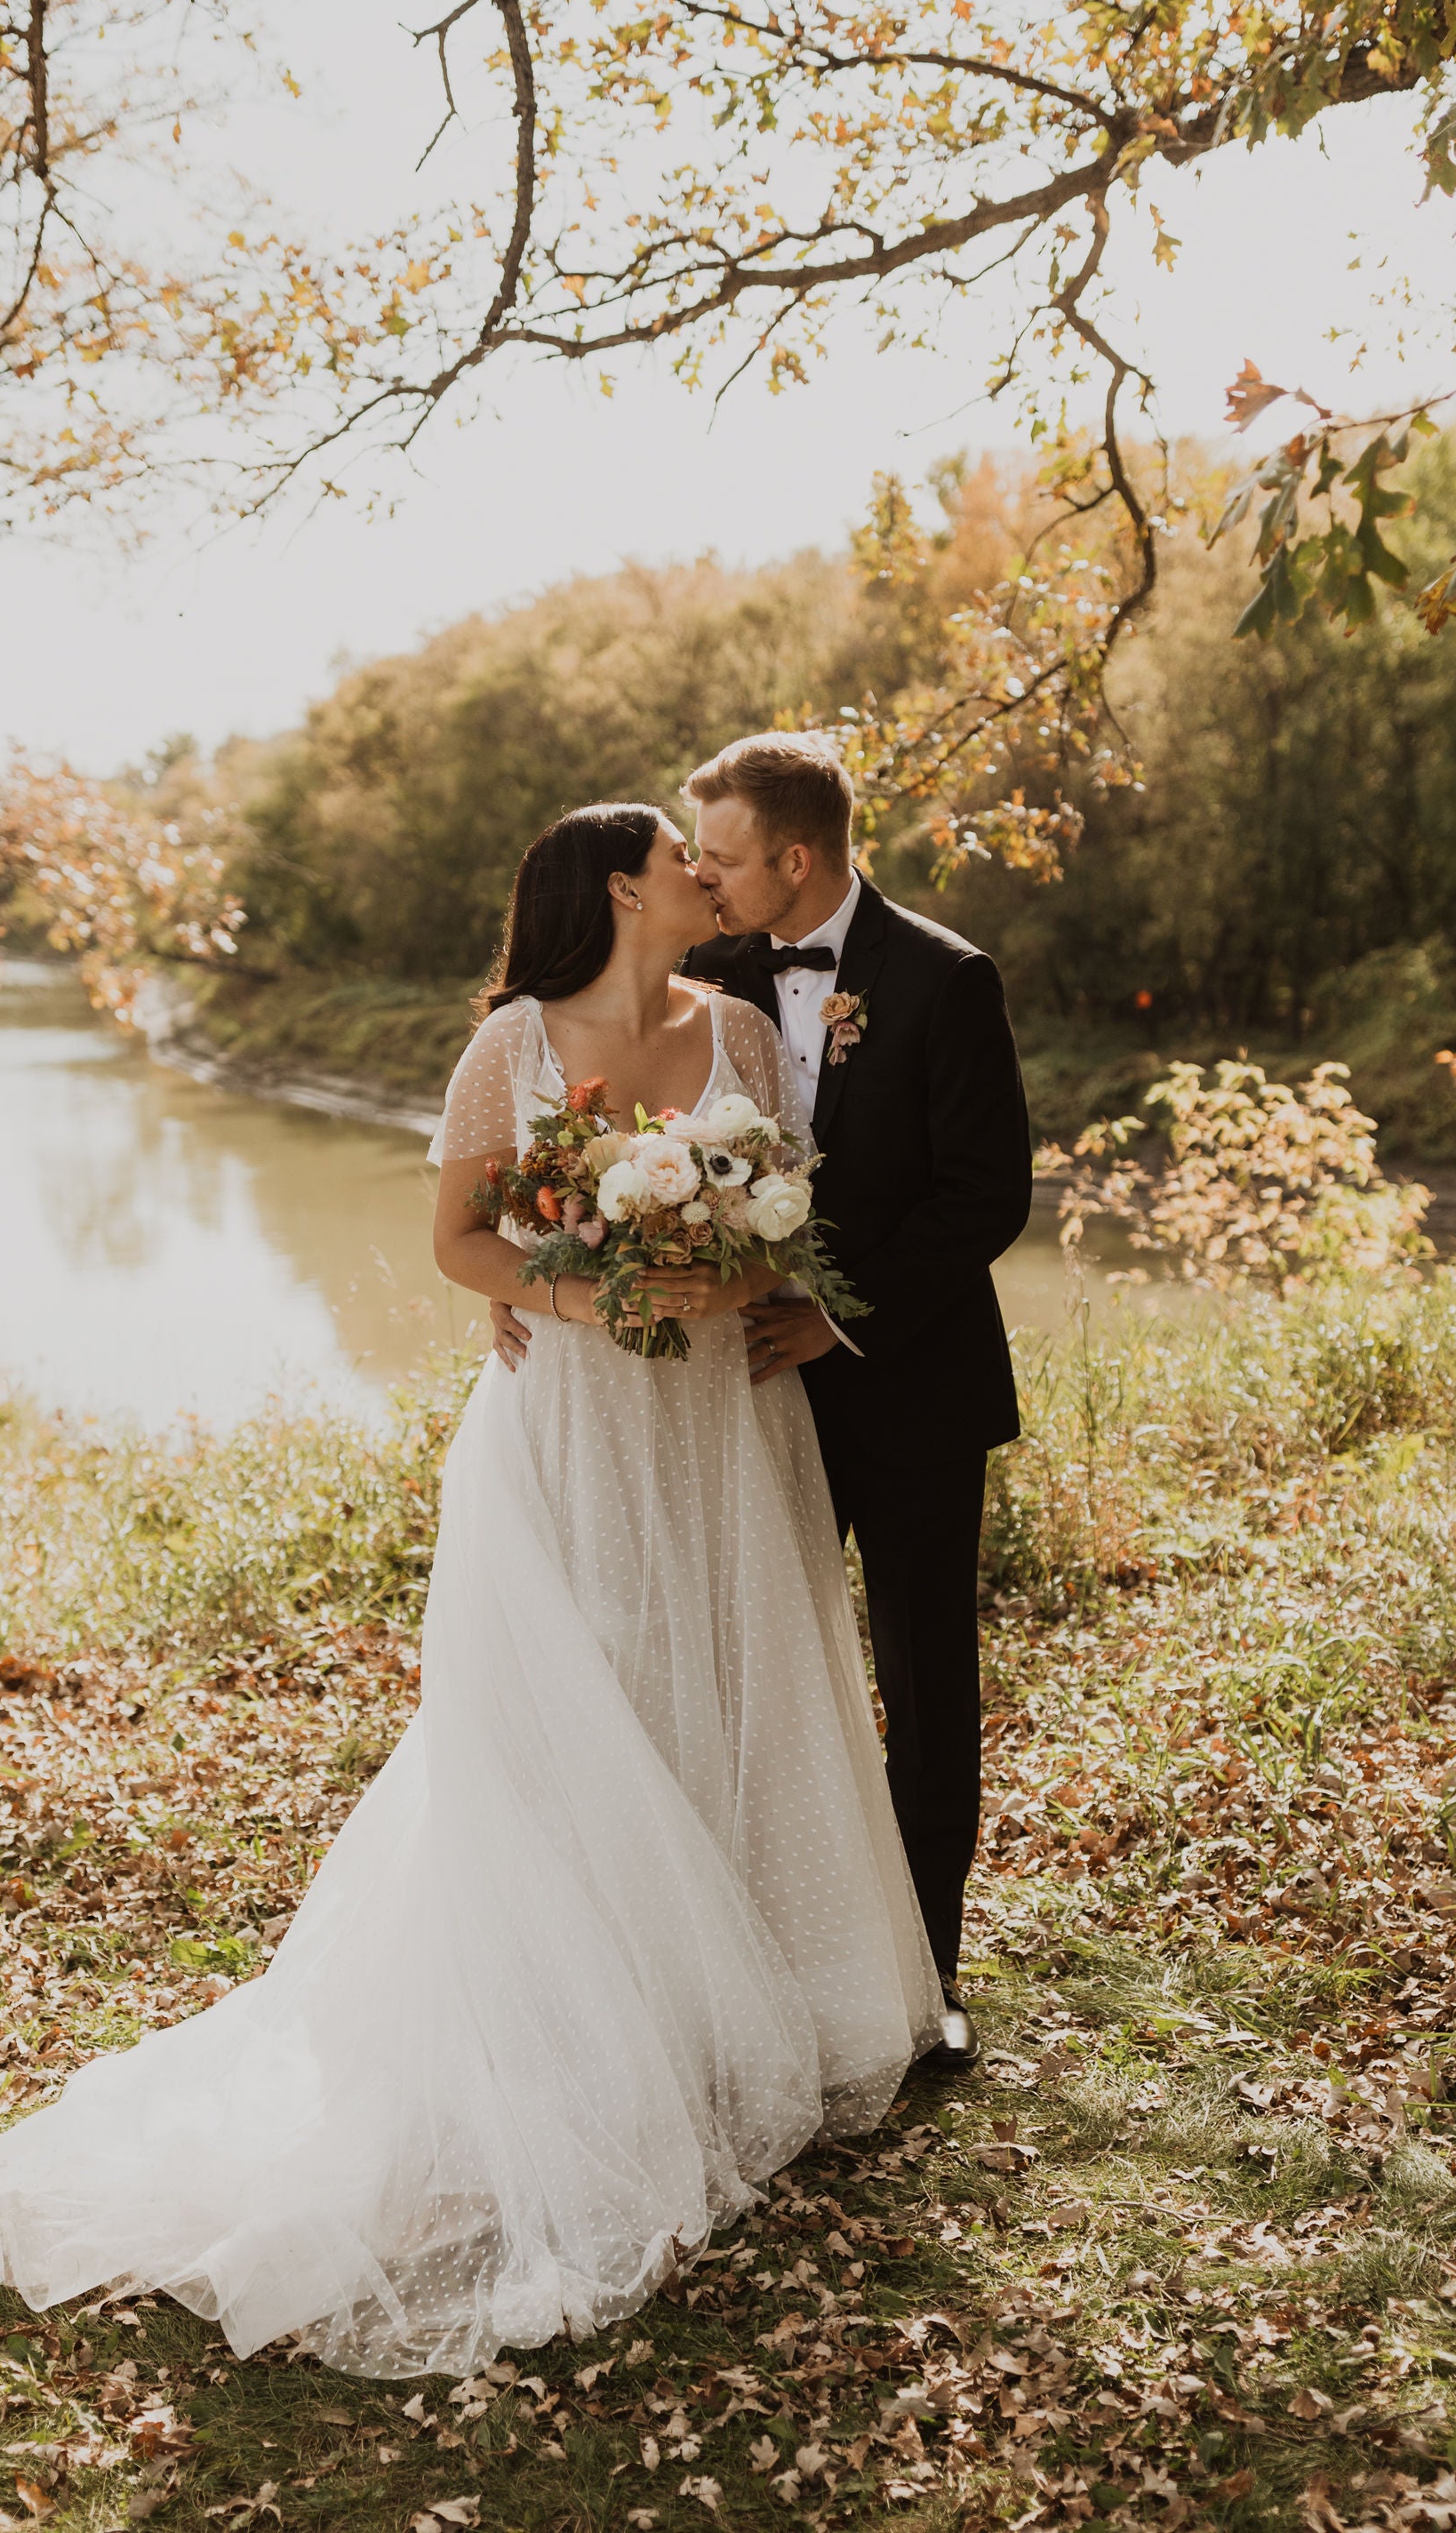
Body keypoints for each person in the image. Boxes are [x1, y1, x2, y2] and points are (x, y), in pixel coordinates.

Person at [0, 801, 940, 2380]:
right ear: (619, 887)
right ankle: (585, 2037)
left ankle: (747, 2000)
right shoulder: (509, 1048)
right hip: (578, 1422)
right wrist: (586, 1289)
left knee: (734, 1671)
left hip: (728, 1421)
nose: (704, 874)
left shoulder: (737, 1029)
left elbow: (783, 1220)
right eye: (679, 856)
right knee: (576, 1710)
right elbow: (461, 1243)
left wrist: (728, 1275)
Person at [493, 738, 1031, 2065]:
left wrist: (836, 1316)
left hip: (903, 1386)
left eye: (721, 856)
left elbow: (987, 1197)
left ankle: (925, 1983)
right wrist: (528, 1269)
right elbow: (572, 1120)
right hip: (729, 1404)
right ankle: (746, 1970)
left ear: (796, 859)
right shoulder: (708, 972)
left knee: (922, 1683)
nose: (703, 875)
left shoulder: (948, 980)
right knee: (744, 1677)